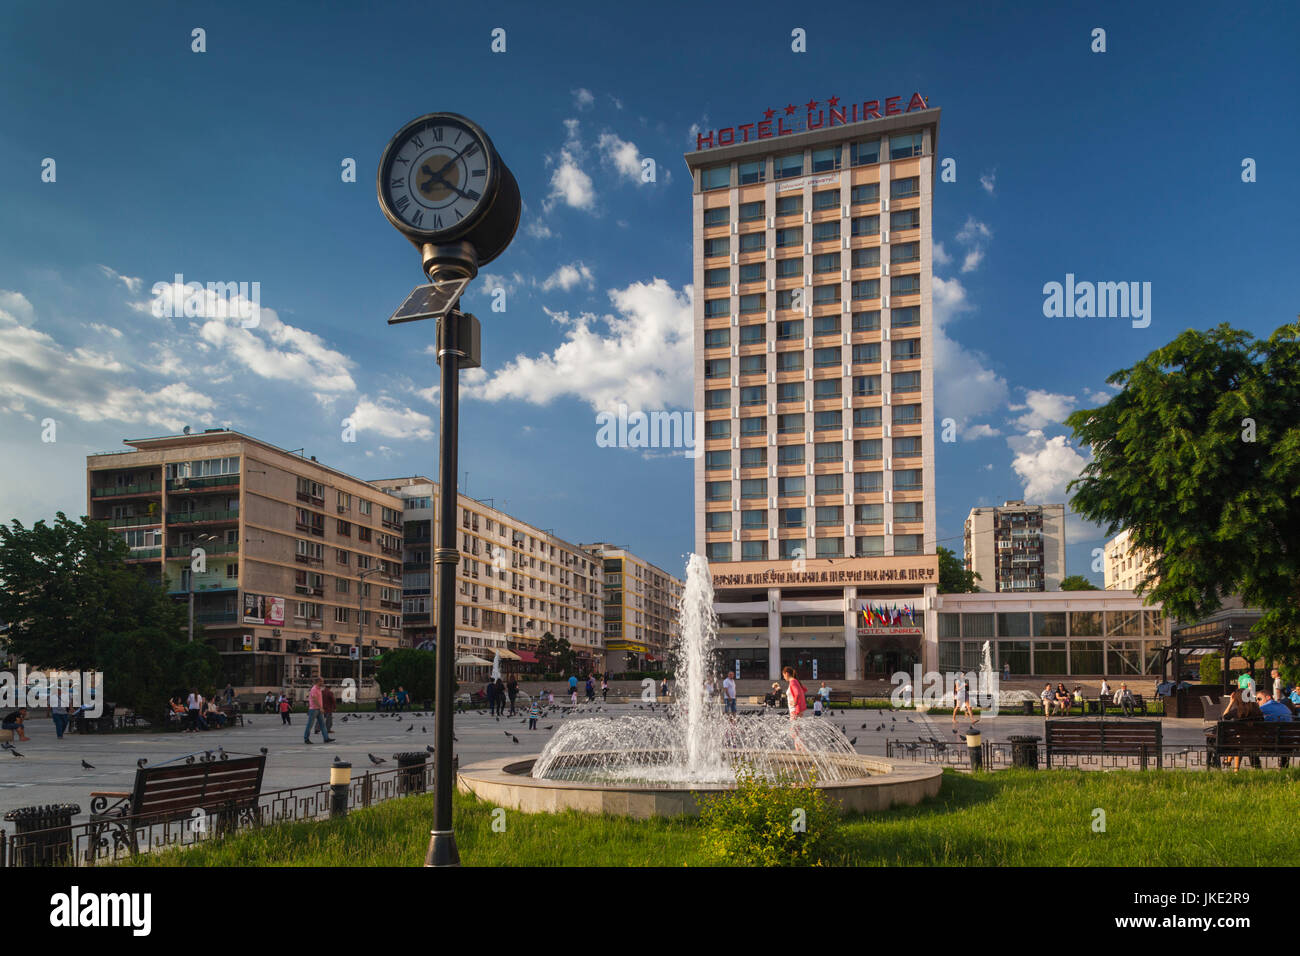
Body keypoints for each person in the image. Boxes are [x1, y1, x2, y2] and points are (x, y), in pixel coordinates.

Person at [303, 678, 333, 744]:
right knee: (310, 725)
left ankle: (326, 738)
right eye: (322, 681)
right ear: (318, 682)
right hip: (314, 709)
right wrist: (320, 708)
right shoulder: (314, 689)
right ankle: (306, 738)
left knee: (322, 725)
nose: (323, 682)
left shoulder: (319, 689)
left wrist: (321, 708)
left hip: (318, 709)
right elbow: (314, 699)